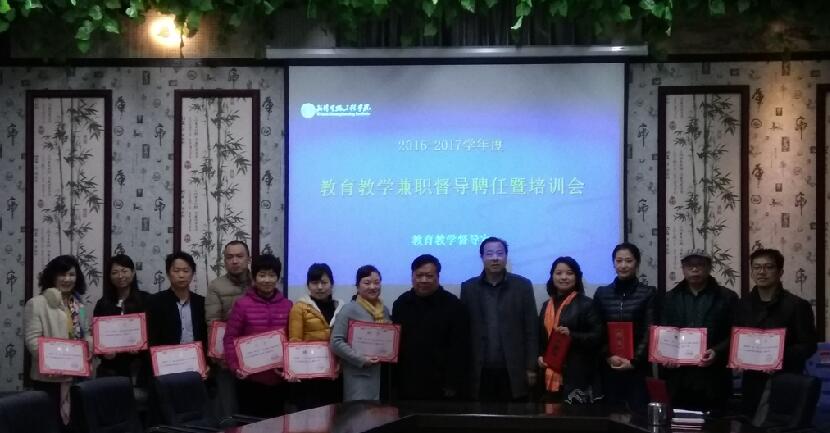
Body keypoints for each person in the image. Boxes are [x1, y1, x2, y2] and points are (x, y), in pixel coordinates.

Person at [737, 248, 818, 417]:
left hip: (784, 380)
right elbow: (736, 338)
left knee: (777, 424)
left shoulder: (797, 305)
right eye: (756, 267)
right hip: (751, 381)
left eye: (768, 267)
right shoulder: (743, 304)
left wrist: (777, 357)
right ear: (751, 271)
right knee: (748, 423)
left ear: (780, 272)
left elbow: (809, 346)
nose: (762, 272)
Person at [460, 237, 538, 402]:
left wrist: (531, 367)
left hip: (513, 369)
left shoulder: (522, 286)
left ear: (506, 257)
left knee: (515, 415)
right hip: (480, 370)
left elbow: (531, 330)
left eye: (500, 253)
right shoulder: (469, 288)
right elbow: (464, 331)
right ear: (482, 257)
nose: (495, 258)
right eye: (489, 253)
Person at [660, 250, 738, 413]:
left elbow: (736, 334)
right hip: (679, 379)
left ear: (709, 268)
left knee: (716, 424)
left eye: (700, 265)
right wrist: (666, 355)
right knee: (679, 423)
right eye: (690, 265)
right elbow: (664, 331)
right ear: (683, 268)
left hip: (714, 377)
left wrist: (717, 351)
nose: (694, 269)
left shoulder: (727, 297)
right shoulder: (669, 298)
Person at [23, 255, 93, 431]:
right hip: (48, 379)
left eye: (71, 275)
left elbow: (86, 333)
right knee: (51, 425)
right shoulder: (37, 304)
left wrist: (89, 347)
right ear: (52, 276)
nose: (67, 279)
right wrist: (53, 364)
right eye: (62, 274)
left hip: (77, 377)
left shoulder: (79, 305)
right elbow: (32, 340)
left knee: (75, 425)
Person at [223, 254, 293, 418]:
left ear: (278, 278)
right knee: (249, 424)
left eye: (272, 275)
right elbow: (230, 338)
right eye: (262, 275)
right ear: (254, 278)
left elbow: (293, 340)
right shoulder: (242, 304)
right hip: (250, 380)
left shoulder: (288, 305)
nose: (267, 280)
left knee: (277, 424)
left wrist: (290, 367)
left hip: (278, 379)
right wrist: (235, 367)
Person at [392, 254, 470, 400]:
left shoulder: (454, 305)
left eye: (429, 276)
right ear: (412, 276)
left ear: (437, 277)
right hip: (407, 381)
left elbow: (460, 348)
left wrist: (452, 383)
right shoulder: (401, 303)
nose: (423, 280)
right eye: (419, 275)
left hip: (441, 384)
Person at [593, 243, 657, 410]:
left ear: (637, 263)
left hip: (638, 367)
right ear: (613, 263)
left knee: (639, 415)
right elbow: (597, 330)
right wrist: (608, 355)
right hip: (609, 366)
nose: (623, 265)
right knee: (610, 414)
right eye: (619, 260)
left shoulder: (648, 293)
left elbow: (650, 330)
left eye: (628, 261)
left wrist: (634, 361)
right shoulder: (602, 293)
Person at [537, 256, 603, 404]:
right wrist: (540, 355)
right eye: (558, 273)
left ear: (577, 277)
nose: (564, 277)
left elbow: (598, 337)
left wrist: (571, 335)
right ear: (552, 276)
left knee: (575, 417)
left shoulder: (587, 304)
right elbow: (541, 337)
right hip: (548, 373)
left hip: (577, 374)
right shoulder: (546, 305)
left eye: (569, 273)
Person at [330, 265, 391, 401]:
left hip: (382, 376)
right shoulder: (348, 310)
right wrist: (361, 359)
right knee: (359, 412)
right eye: (367, 283)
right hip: (359, 376)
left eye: (377, 282)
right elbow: (336, 342)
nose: (373, 287)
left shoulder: (384, 310)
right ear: (357, 287)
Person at [205, 241, 251, 418]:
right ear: (224, 260)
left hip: (253, 355)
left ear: (248, 259)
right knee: (228, 410)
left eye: (239, 256)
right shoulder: (216, 286)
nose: (235, 261)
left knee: (252, 408)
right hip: (226, 355)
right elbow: (213, 322)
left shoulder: (260, 281)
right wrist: (218, 356)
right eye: (230, 257)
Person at [288, 263, 344, 409]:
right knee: (310, 414)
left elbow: (345, 341)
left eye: (324, 282)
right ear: (308, 285)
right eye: (314, 283)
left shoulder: (341, 308)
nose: (319, 287)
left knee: (334, 414)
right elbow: (295, 341)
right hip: (309, 375)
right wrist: (295, 369)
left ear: (331, 284)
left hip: (334, 374)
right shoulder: (299, 308)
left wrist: (341, 363)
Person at [93, 254, 151, 384]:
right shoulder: (103, 304)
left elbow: (153, 333)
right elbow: (96, 337)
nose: (120, 276)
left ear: (133, 272)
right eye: (115, 272)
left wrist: (140, 349)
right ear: (109, 276)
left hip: (139, 369)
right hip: (110, 369)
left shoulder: (146, 300)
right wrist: (104, 353)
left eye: (124, 271)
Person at [146, 251, 207, 348]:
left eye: (186, 271)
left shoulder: (201, 302)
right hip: (166, 356)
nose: (181, 275)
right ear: (168, 273)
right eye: (176, 271)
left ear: (192, 274)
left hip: (195, 355)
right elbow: (151, 336)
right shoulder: (155, 301)